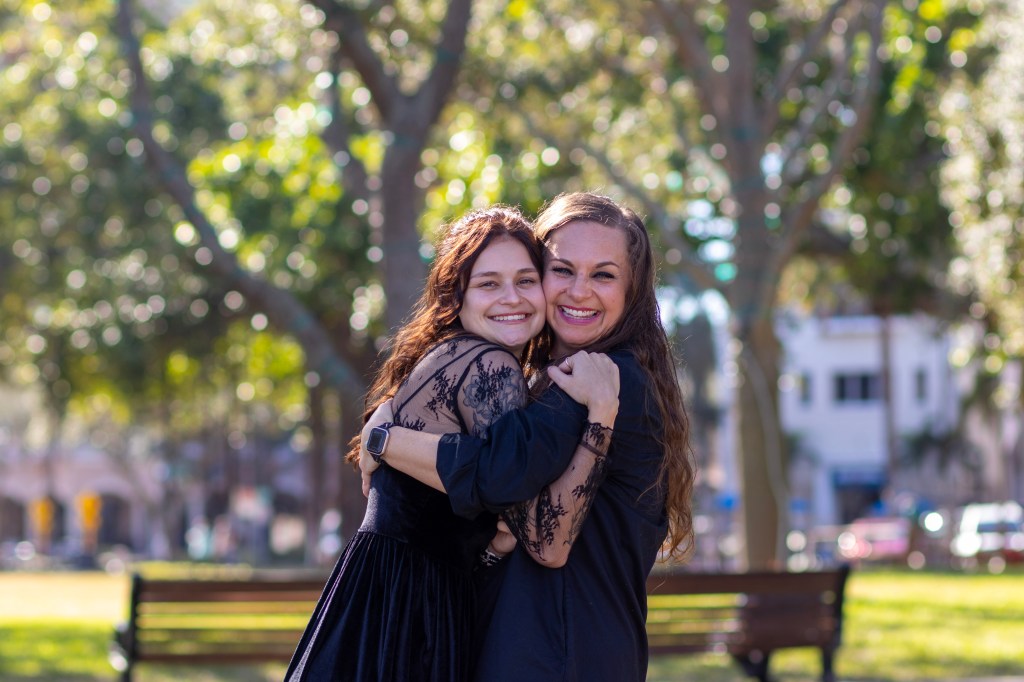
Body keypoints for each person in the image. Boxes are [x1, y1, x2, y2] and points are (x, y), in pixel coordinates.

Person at [360, 191, 696, 681]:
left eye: (603, 275)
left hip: (558, 656)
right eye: (562, 270)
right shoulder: (546, 380)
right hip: (550, 649)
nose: (579, 291)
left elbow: (499, 473)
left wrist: (385, 438)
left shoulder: (602, 379)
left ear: (632, 292)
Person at [284, 205, 620, 682]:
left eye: (526, 280)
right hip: (411, 607)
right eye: (488, 284)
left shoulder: (450, 356)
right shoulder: (491, 367)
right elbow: (545, 538)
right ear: (456, 297)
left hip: (379, 593)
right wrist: (602, 415)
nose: (511, 298)